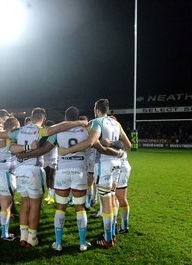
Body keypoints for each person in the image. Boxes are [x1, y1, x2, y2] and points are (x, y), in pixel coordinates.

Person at [15, 106, 122, 252]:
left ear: (65, 117)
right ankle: (82, 243)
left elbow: (43, 150)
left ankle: (58, 243)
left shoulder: (59, 131)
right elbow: (100, 147)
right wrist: (117, 152)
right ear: (78, 118)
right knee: (80, 208)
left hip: (62, 173)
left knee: (60, 208)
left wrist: (24, 155)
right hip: (79, 172)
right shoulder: (86, 131)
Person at [0, 107, 88, 248]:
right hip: (34, 171)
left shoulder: (19, 131)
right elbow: (60, 127)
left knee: (25, 204)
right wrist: (80, 123)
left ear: (31, 116)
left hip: (19, 171)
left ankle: (22, 237)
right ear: (43, 119)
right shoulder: (41, 130)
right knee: (35, 206)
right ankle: (32, 238)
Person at [58, 99, 129, 248]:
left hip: (103, 164)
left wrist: (67, 151)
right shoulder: (116, 123)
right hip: (116, 164)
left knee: (106, 201)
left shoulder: (97, 122)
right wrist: (114, 146)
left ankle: (107, 239)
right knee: (112, 198)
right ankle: (112, 233)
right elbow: (127, 145)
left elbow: (90, 142)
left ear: (96, 109)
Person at [42, 120, 57, 205]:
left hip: (53, 158)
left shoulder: (55, 135)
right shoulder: (43, 135)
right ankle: (48, 194)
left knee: (52, 175)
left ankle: (52, 196)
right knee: (47, 176)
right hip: (45, 158)